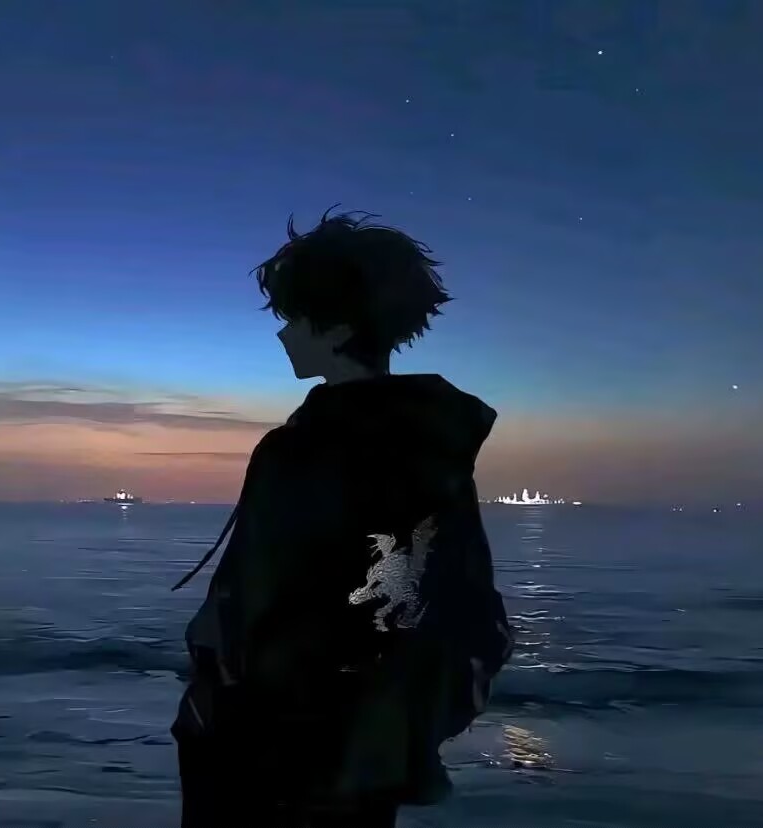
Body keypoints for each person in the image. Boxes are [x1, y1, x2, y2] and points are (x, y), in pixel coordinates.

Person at [171, 208, 514, 827]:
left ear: (337, 328)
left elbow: (250, 605)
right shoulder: (434, 447)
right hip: (373, 751)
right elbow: (471, 606)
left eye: (295, 318)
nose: (283, 335)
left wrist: (214, 706)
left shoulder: (300, 449)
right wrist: (409, 722)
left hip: (267, 753)